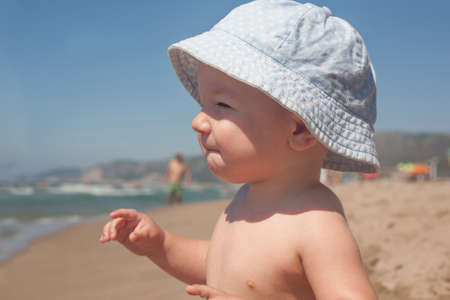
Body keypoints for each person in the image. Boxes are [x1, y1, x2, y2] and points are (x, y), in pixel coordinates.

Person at [100, 1, 380, 299]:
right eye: (202, 105)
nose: (197, 122)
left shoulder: (317, 224)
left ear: (299, 129)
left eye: (222, 105)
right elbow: (219, 265)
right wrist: (161, 246)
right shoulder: (245, 199)